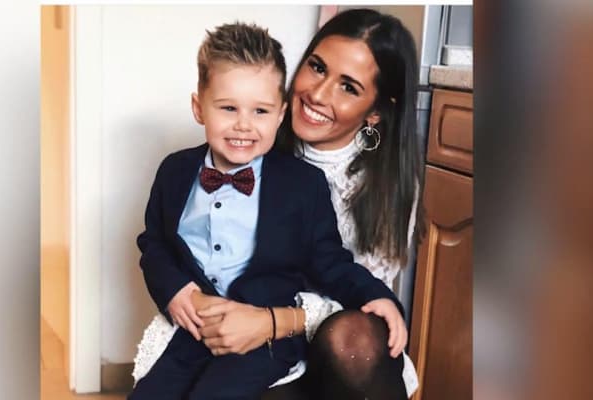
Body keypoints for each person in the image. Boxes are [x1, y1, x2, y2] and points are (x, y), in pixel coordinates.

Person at [128, 21, 406, 400]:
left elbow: (331, 262)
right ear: (199, 108)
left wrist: (378, 296)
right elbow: (155, 244)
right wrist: (174, 290)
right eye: (228, 108)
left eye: (260, 111)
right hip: (193, 329)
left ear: (280, 114)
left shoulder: (303, 185)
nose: (244, 125)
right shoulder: (174, 171)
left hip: (264, 340)